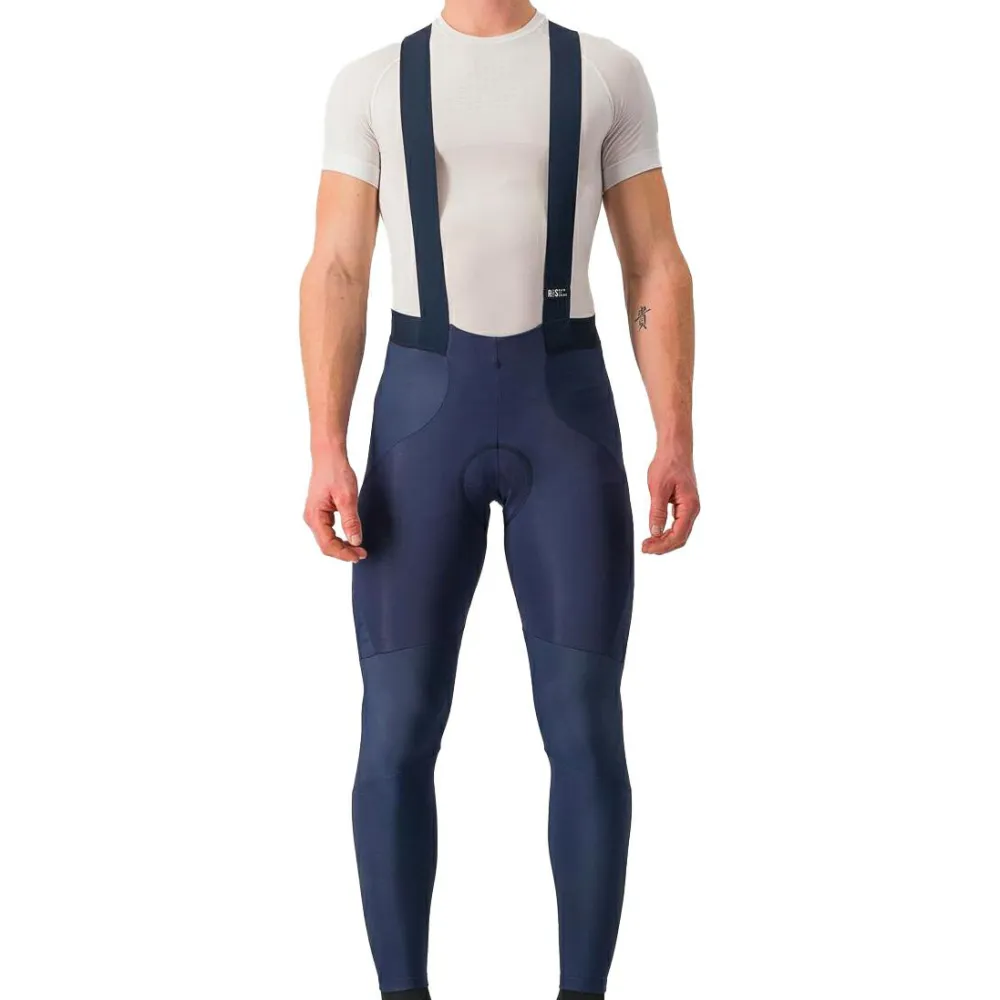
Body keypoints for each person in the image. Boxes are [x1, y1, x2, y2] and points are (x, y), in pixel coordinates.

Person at [299, 2, 698, 997]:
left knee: (584, 724)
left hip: (565, 416)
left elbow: (653, 259)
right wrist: (324, 444)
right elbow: (338, 267)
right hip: (418, 420)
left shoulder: (605, 72)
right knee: (395, 727)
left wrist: (675, 434)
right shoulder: (371, 81)